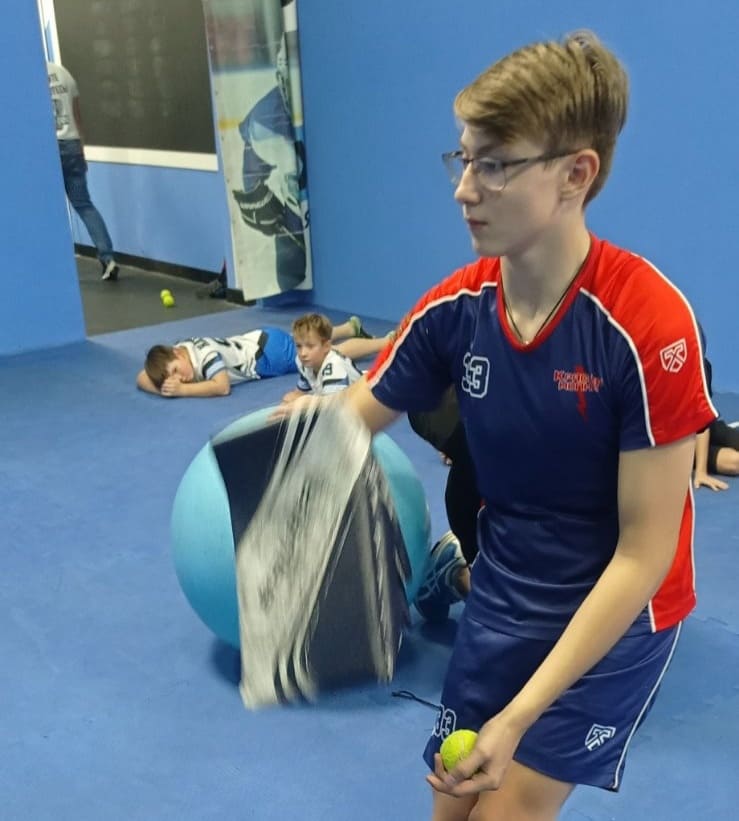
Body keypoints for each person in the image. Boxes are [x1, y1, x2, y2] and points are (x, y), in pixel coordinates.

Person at [284, 30, 718, 819]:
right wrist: (288, 453)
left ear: (575, 174)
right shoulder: (456, 306)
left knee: (504, 809)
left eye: (494, 164)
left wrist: (518, 716)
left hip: (616, 616)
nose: (464, 189)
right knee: (450, 805)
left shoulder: (647, 325)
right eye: (462, 159)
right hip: (504, 591)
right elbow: (355, 416)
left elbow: (642, 553)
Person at [136, 315, 383, 399]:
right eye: (172, 379)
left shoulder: (206, 356)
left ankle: (386, 342)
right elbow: (141, 377)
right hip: (261, 340)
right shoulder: (180, 350)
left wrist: (181, 391)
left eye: (176, 372)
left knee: (325, 354)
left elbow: (221, 387)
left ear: (177, 353)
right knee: (313, 341)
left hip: (267, 356)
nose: (180, 379)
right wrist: (165, 385)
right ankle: (348, 328)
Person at [47, 62, 119, 282]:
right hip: (72, 146)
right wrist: (81, 150)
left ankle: (53, 267)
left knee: (48, 209)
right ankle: (108, 258)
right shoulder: (64, 74)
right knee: (84, 205)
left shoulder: (27, 76)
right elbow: (77, 117)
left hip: (47, 148)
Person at [282, 313, 391, 402]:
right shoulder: (303, 361)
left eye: (310, 346)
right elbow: (302, 388)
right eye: (299, 346)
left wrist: (301, 401)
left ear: (326, 346)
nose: (303, 353)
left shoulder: (334, 367)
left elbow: (331, 408)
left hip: (370, 399)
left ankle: (390, 343)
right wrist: (295, 397)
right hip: (340, 398)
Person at [693, 336, 739, 491]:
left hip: (704, 427)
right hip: (676, 443)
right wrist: (700, 472)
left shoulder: (703, 368)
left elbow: (702, 419)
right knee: (735, 462)